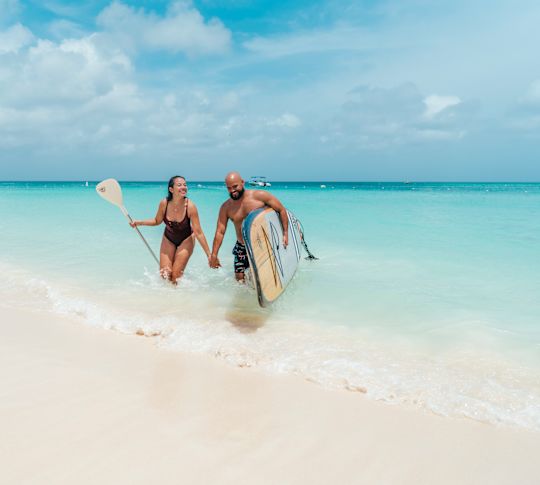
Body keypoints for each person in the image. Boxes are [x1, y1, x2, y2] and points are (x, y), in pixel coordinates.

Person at [130, 175, 212, 283]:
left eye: (185, 185)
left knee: (175, 276)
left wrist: (209, 255)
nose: (183, 187)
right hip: (168, 238)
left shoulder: (190, 206)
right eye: (179, 185)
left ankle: (178, 297)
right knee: (165, 274)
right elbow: (157, 221)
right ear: (171, 189)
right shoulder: (164, 203)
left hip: (186, 240)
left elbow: (198, 232)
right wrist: (139, 223)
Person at [209, 171, 288, 281]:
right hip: (241, 247)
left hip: (262, 245)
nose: (232, 190)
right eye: (229, 188)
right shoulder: (226, 207)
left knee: (262, 279)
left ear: (242, 182)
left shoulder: (260, 196)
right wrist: (214, 255)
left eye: (235, 186)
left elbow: (281, 210)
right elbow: (220, 232)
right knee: (240, 280)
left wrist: (285, 233)